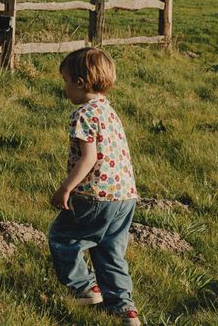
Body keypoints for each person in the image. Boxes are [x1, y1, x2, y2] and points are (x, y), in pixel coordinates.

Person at [48, 47, 142, 326]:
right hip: (124, 196)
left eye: (66, 81)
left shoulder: (83, 114)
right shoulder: (108, 110)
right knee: (110, 251)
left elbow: (89, 158)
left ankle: (84, 288)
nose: (65, 87)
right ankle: (124, 309)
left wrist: (66, 188)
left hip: (95, 195)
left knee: (64, 238)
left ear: (79, 82)